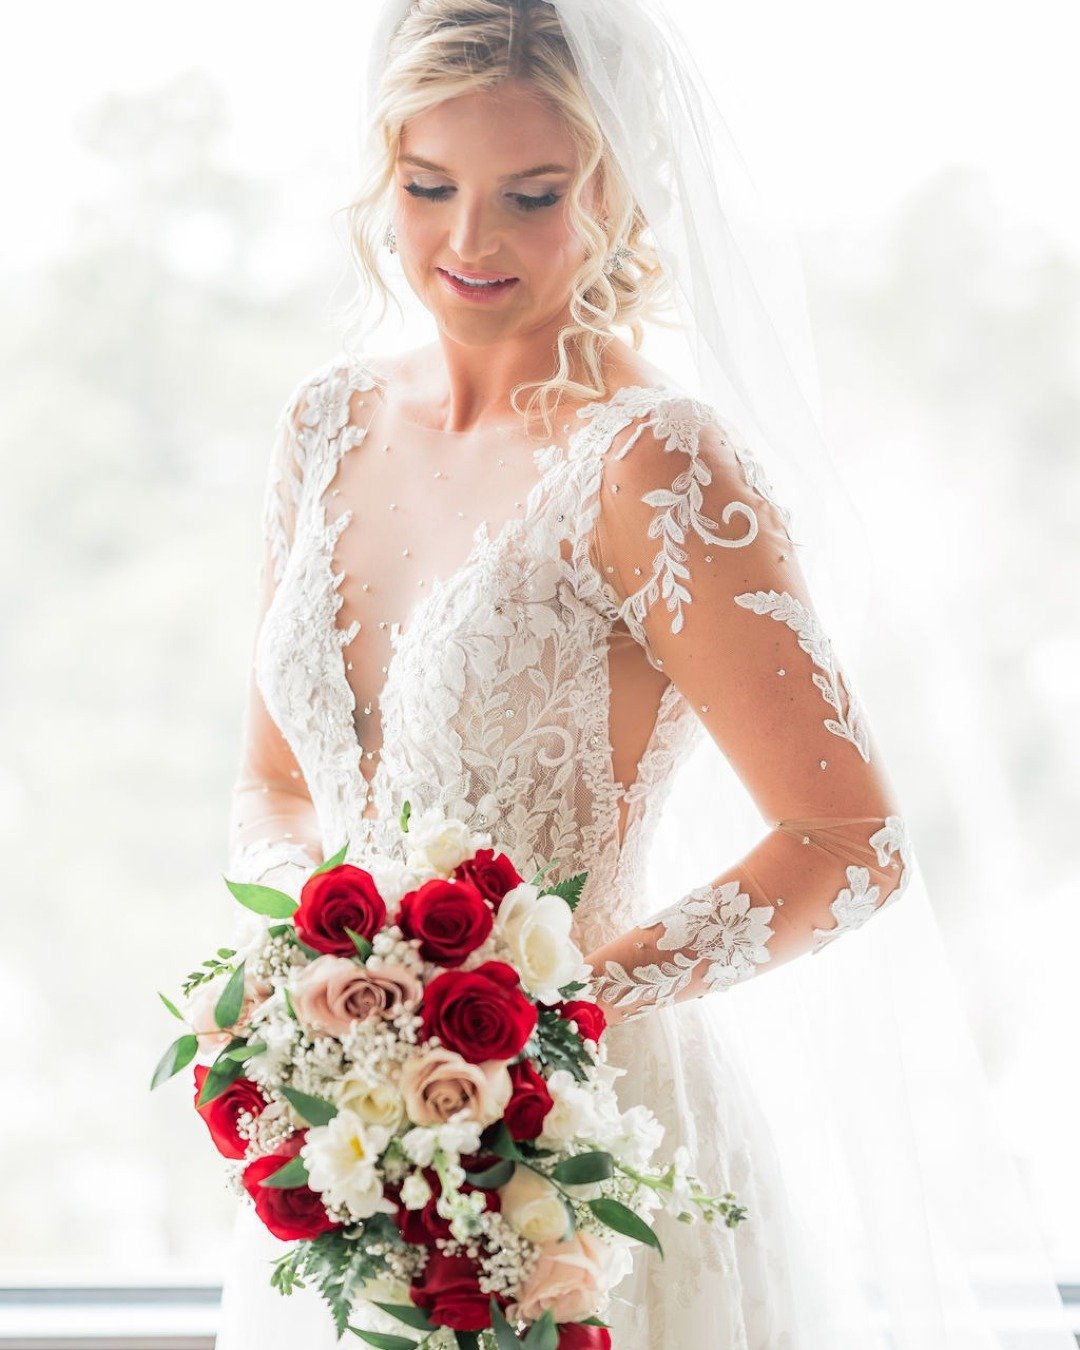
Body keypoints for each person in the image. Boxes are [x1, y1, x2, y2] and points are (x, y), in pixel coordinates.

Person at [215, 1, 1074, 1346]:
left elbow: (848, 839)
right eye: (428, 186)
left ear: (616, 188)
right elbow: (275, 775)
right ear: (380, 175)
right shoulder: (323, 423)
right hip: (357, 1139)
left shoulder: (652, 462)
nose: (469, 241)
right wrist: (311, 974)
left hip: (591, 1154)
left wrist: (554, 1014)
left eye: (532, 193)